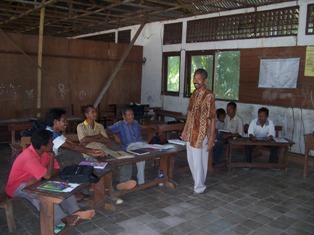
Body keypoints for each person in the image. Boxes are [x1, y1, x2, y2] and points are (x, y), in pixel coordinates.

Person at [5, 129, 95, 231]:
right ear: (43, 146)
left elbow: (56, 170)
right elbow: (48, 175)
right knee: (39, 195)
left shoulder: (44, 152)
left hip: (35, 181)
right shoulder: (29, 156)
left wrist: (43, 176)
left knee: (61, 185)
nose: (53, 144)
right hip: (16, 187)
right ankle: (63, 219)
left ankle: (75, 211)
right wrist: (51, 159)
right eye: (50, 142)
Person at [77, 105, 136, 200]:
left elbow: (105, 140)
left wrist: (93, 138)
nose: (95, 114)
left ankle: (122, 183)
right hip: (90, 152)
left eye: (95, 112)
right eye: (92, 112)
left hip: (104, 150)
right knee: (104, 166)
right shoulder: (81, 126)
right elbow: (84, 140)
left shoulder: (99, 126)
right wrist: (98, 136)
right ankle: (111, 193)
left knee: (126, 160)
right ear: (86, 114)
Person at [181, 68, 216, 196]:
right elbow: (190, 113)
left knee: (199, 161)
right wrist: (185, 131)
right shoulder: (194, 94)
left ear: (205, 80)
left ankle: (199, 186)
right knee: (191, 159)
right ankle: (198, 182)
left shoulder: (209, 96)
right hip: (191, 132)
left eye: (198, 79)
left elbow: (212, 118)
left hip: (201, 133)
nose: (195, 81)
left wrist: (211, 138)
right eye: (194, 79)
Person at [106, 107, 146, 185]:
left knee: (156, 149)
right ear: (124, 117)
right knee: (141, 155)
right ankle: (141, 181)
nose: (131, 116)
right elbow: (107, 130)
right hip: (129, 147)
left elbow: (141, 127)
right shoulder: (120, 124)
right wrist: (115, 135)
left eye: (132, 114)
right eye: (129, 115)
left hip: (141, 144)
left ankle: (161, 175)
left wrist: (151, 126)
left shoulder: (135, 123)